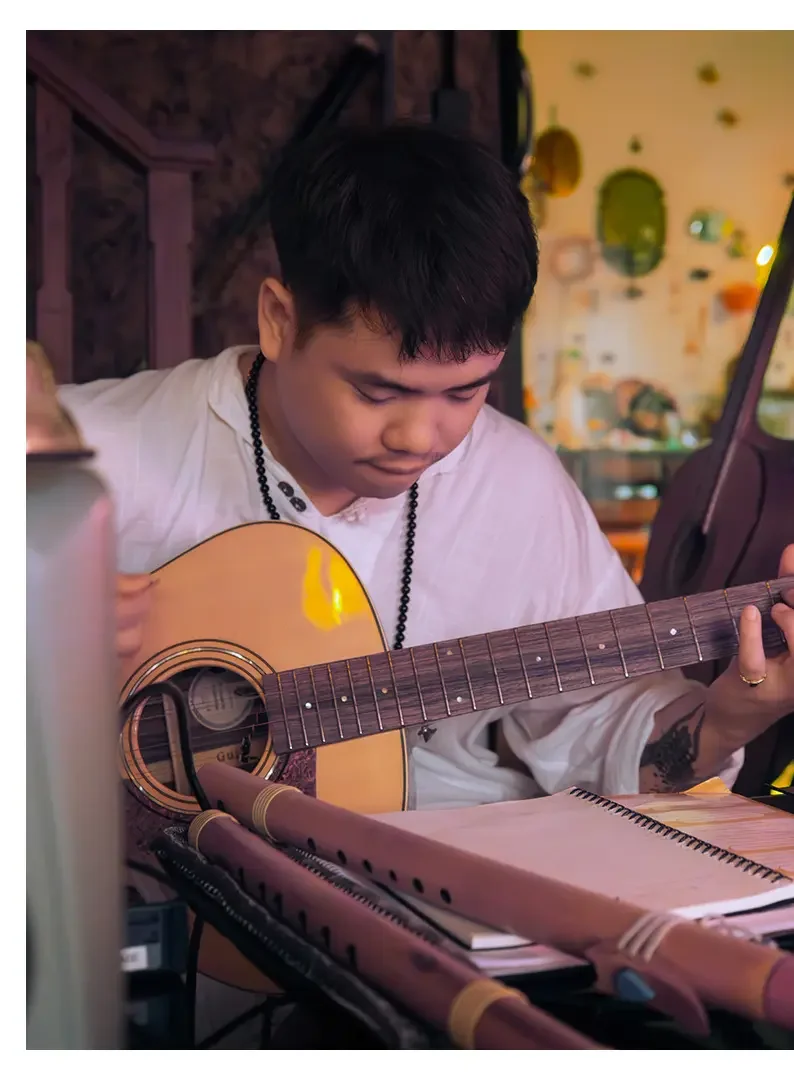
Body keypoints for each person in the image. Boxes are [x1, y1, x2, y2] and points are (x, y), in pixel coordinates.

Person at [59, 123, 794, 811]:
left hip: (448, 894)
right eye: (377, 391)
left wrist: (725, 721)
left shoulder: (518, 487)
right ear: (279, 322)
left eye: (464, 392)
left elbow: (600, 732)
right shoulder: (85, 457)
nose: (420, 435)